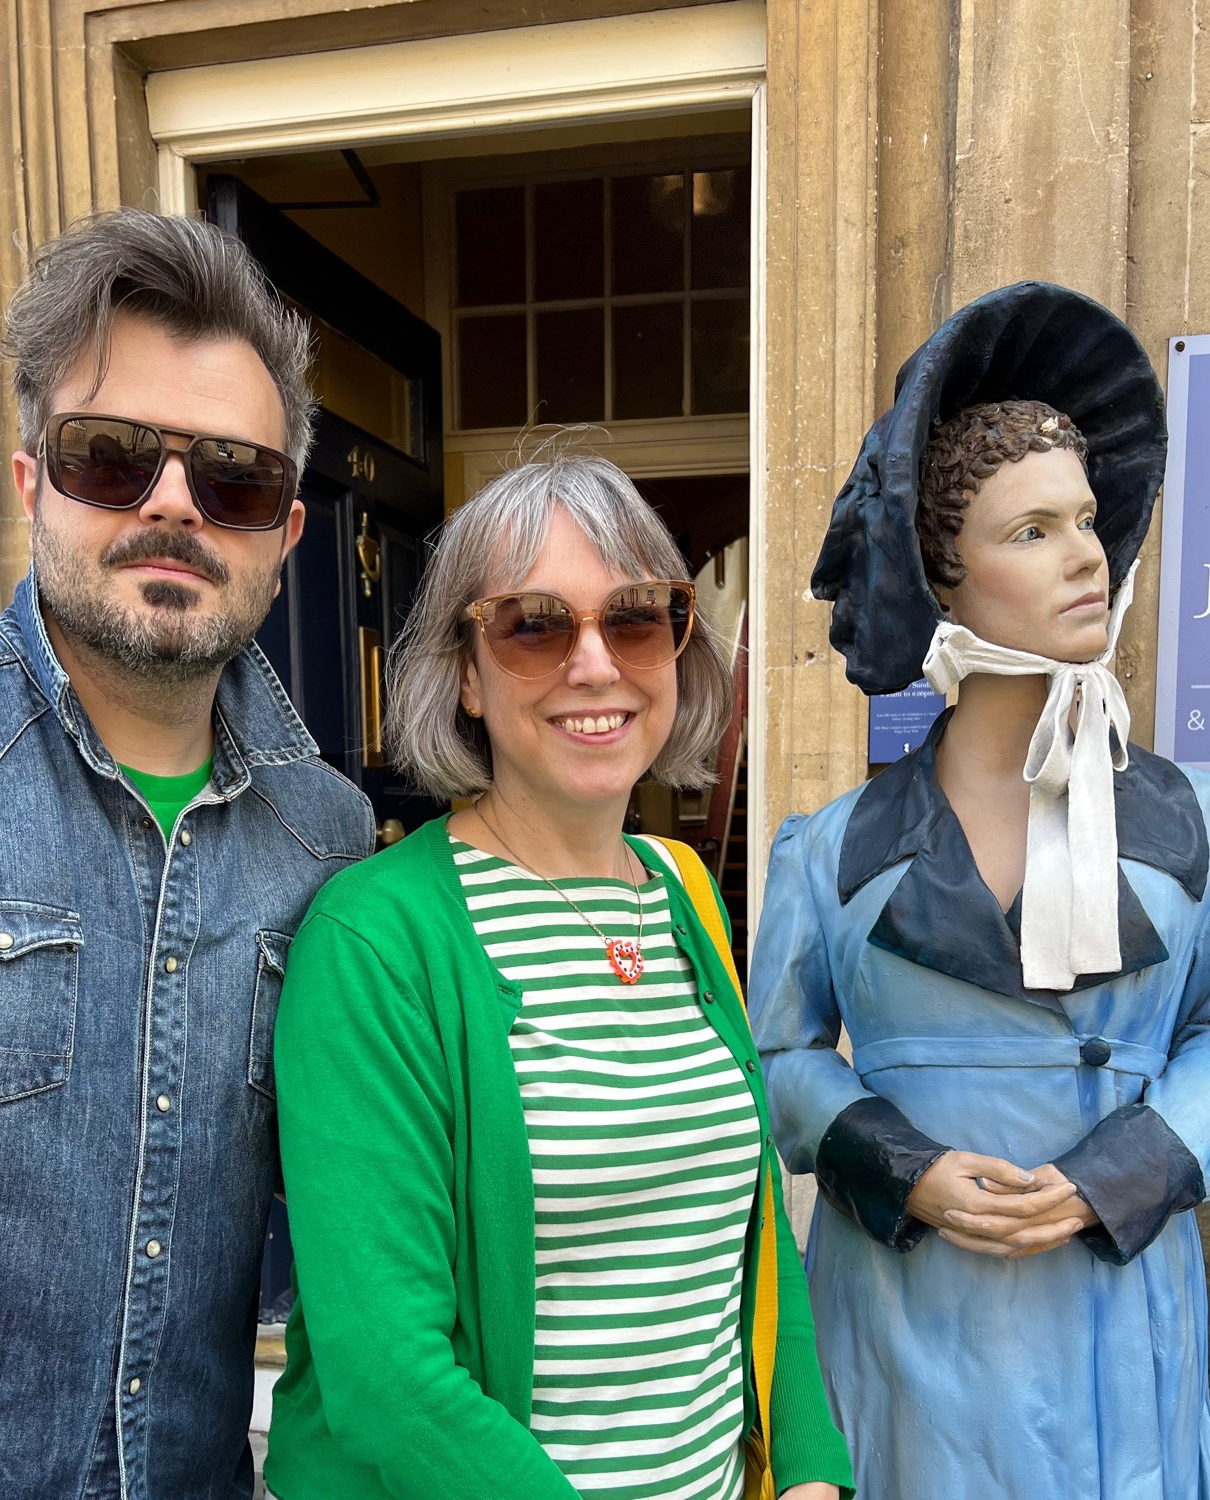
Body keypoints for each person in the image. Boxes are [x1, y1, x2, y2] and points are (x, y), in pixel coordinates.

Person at [0, 208, 374, 1499]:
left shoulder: (329, 835)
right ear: (31, 485)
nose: (174, 503)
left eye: (233, 478)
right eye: (111, 458)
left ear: (285, 536)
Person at [748, 282, 1210, 1499]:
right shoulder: (829, 850)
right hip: (904, 1323)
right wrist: (902, 1164)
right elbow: (779, 1061)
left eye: (1088, 519)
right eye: (1031, 530)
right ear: (943, 576)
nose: (1087, 556)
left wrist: (1129, 1165)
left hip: (1113, 1318)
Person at [264, 450, 853, 1500]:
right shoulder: (375, 941)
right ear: (465, 675)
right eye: (533, 626)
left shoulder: (684, 893)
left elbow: (750, 1241)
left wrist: (808, 1470)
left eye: (633, 619)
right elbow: (385, 1378)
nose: (595, 665)